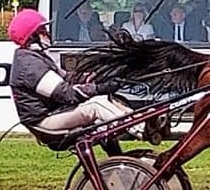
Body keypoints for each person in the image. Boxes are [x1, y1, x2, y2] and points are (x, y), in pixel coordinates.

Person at [7, 9, 132, 141]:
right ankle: (139, 128)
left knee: (106, 99)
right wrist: (98, 88)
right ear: (32, 37)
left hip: (54, 114)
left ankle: (136, 121)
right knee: (96, 105)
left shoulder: (35, 57)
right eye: (42, 30)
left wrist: (97, 76)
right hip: (45, 122)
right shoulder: (30, 65)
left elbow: (68, 78)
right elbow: (66, 94)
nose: (47, 33)